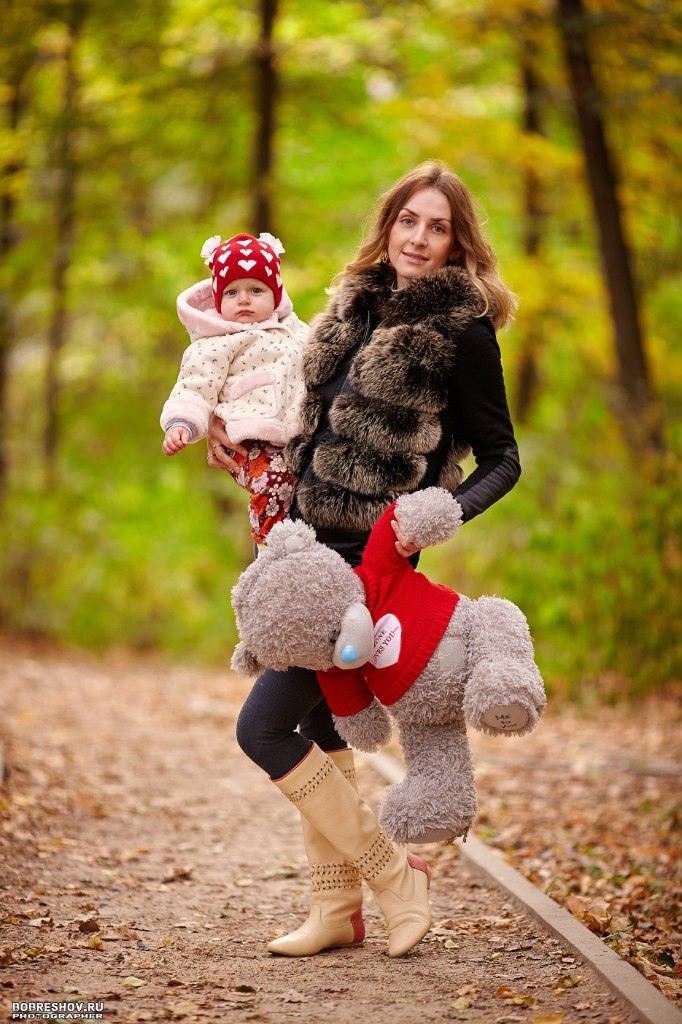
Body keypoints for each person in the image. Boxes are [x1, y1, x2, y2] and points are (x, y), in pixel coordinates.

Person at [208, 161, 521, 958]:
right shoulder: (348, 309)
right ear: (389, 224)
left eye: (437, 227)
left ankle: (392, 874)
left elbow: (503, 458)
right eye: (409, 220)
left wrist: (436, 516)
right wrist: (231, 436)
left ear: (457, 244)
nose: (418, 237)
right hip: (301, 548)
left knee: (262, 729)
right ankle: (335, 910)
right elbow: (292, 415)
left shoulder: (462, 332)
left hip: (369, 567)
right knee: (324, 730)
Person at [161, 231, 308, 544]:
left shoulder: (295, 331)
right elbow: (194, 385)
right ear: (219, 301)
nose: (243, 299)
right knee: (273, 480)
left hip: (294, 437)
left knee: (304, 487)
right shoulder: (216, 343)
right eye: (232, 292)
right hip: (246, 437)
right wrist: (182, 423)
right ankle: (272, 546)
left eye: (256, 290)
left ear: (276, 295)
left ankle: (299, 543)